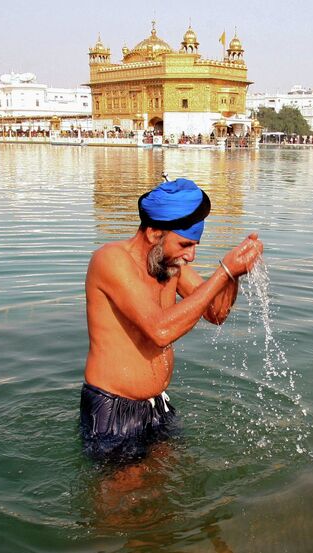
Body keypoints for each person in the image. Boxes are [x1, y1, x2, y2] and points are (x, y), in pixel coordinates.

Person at [80, 177, 263, 460]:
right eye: (185, 244)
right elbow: (159, 330)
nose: (191, 256)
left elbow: (216, 313)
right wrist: (223, 272)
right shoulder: (111, 260)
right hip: (114, 410)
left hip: (156, 406)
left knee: (163, 497)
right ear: (154, 233)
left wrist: (235, 276)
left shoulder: (169, 265)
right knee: (122, 503)